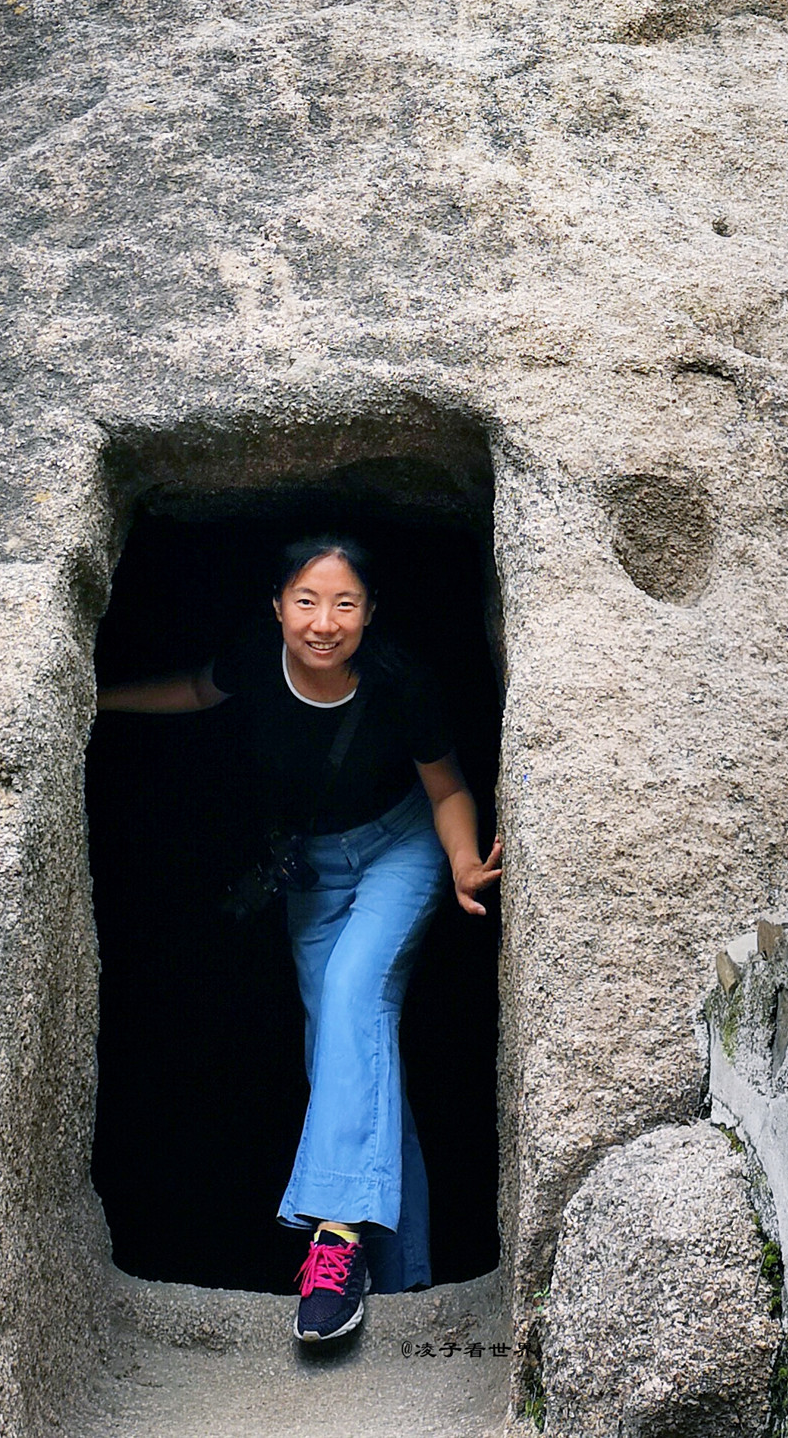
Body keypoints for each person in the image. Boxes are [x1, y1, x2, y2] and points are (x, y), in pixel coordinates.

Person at [95, 533, 502, 1344]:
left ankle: (337, 1248)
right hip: (314, 869)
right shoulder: (254, 656)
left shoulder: (396, 680)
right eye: (307, 601)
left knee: (355, 995)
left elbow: (447, 784)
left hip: (401, 846)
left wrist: (461, 861)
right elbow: (193, 691)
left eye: (345, 603)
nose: (325, 622)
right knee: (345, 1049)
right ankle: (405, 1273)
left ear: (369, 613)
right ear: (278, 604)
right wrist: (94, 695)